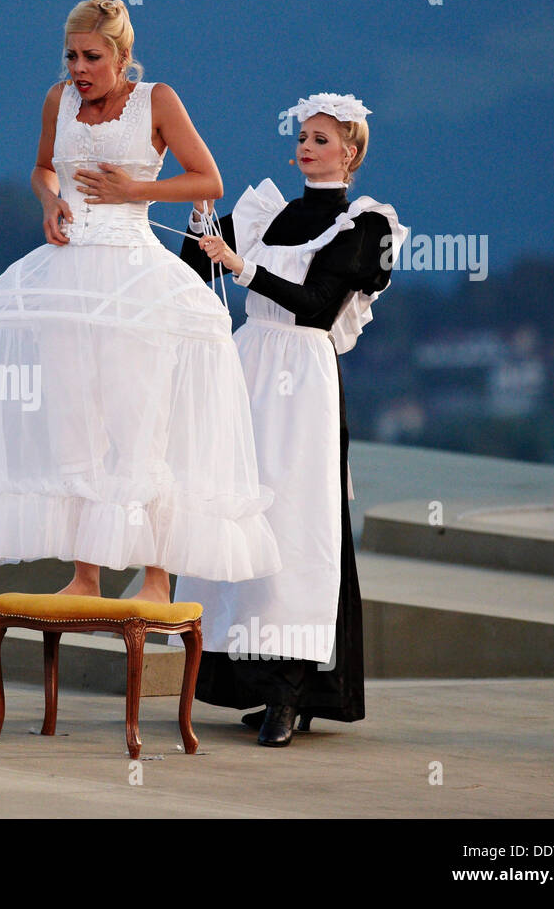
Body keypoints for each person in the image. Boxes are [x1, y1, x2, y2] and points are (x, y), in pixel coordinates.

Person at [0, 0, 281, 601]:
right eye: (70, 55)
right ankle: (86, 572)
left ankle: (157, 576)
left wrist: (134, 188)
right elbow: (42, 168)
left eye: (91, 56)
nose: (78, 68)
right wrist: (49, 200)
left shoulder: (156, 100)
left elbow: (208, 179)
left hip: (133, 274)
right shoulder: (57, 100)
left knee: (139, 417)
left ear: (122, 57)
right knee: (74, 417)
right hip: (68, 274)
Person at [173, 93, 408, 746]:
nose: (308, 146)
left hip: (303, 376)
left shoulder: (368, 225)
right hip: (247, 365)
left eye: (323, 139)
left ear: (351, 152)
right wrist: (199, 230)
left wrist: (240, 265)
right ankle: (250, 682)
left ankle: (292, 691)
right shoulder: (265, 212)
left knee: (298, 521)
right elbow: (195, 266)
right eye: (303, 136)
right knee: (241, 509)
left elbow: (316, 307)